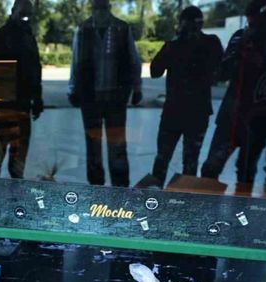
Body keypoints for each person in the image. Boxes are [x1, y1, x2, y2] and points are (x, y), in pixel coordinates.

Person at [199, 0, 266, 194]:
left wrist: (262, 62)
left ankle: (241, 208)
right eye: (250, 19)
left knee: (246, 172)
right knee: (211, 167)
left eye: (258, 20)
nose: (252, 24)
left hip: (259, 117)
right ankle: (206, 206)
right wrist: (234, 55)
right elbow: (221, 74)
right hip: (231, 116)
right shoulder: (240, 36)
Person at [137, 7, 223, 189]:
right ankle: (182, 197)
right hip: (193, 112)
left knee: (164, 159)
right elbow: (221, 73)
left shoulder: (179, 45)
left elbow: (155, 71)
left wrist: (175, 44)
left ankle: (157, 195)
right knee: (188, 161)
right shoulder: (209, 43)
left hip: (177, 112)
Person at [68, 0, 142, 187]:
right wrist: (73, 88)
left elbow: (134, 59)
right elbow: (75, 60)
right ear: (92, 9)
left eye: (103, 7)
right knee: (93, 145)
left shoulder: (122, 28)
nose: (100, 11)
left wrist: (137, 88)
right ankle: (96, 186)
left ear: (109, 8)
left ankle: (120, 187)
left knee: (117, 145)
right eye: (97, 7)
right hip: (90, 97)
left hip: (116, 98)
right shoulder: (82, 29)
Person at [0, 0, 44, 179]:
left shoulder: (26, 36)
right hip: (5, 105)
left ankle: (11, 187)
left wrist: (37, 97)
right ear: (13, 11)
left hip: (21, 104)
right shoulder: (2, 37)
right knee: (0, 155)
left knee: (17, 156)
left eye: (28, 15)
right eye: (23, 14)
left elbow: (35, 68)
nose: (26, 18)